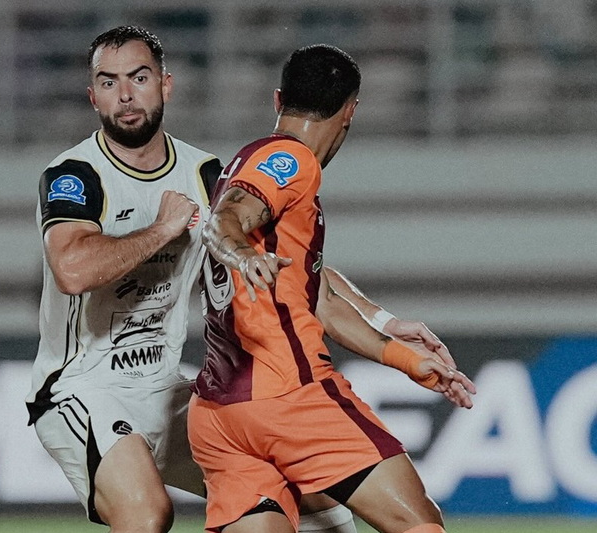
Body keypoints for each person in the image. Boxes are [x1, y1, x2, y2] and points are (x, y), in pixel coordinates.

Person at [189, 43, 477, 533]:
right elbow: (226, 220)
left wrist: (405, 357)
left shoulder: (247, 163)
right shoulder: (291, 160)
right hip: (289, 397)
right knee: (419, 524)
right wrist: (241, 254)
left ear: (278, 99)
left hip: (220, 415)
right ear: (351, 111)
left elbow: (317, 299)